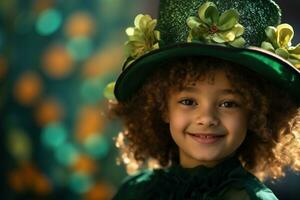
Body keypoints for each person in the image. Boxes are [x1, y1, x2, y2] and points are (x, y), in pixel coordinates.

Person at [106, 0, 300, 199]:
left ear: (255, 113)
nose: (207, 118)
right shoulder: (134, 192)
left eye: (228, 104)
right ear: (163, 107)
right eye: (188, 101)